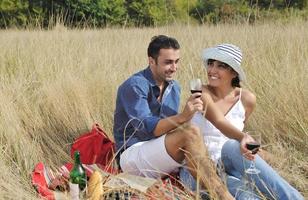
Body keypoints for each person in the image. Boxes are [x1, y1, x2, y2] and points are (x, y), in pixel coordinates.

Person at [113, 35, 256, 199]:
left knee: (201, 144)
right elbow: (148, 129)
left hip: (160, 152)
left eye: (177, 61)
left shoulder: (174, 87)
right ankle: (223, 196)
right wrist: (183, 117)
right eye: (168, 62)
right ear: (151, 61)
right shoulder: (135, 85)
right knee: (191, 132)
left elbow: (170, 129)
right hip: (132, 154)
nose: (174, 68)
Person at [179, 43, 304, 200]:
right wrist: (242, 137)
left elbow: (236, 138)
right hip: (199, 169)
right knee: (246, 195)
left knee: (232, 146)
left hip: (230, 164)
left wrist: (257, 150)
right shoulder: (202, 92)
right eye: (211, 63)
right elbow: (218, 121)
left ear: (234, 72)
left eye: (221, 66)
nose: (212, 70)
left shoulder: (247, 99)